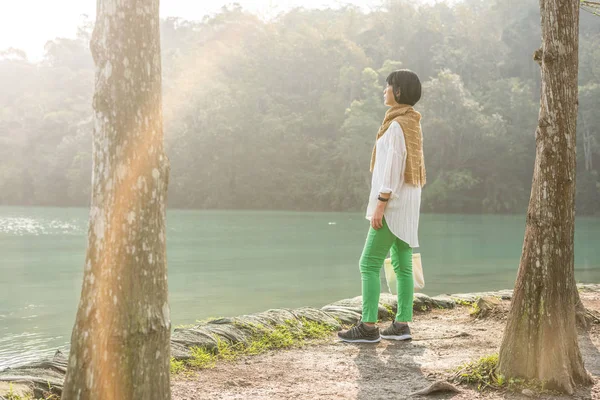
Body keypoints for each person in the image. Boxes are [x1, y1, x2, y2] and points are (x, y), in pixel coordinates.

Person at [338, 69, 425, 343]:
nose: (384, 90)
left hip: (393, 205)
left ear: (398, 92)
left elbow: (392, 168)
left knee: (368, 263)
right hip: (409, 205)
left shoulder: (397, 126)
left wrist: (381, 204)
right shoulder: (411, 123)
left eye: (387, 86)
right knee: (402, 264)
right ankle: (402, 324)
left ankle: (368, 326)